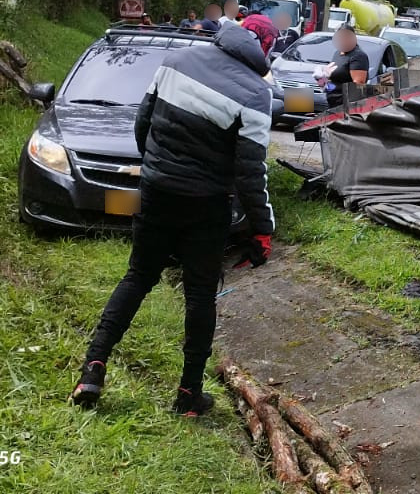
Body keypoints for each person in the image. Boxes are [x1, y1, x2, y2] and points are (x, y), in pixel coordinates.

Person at [69, 25, 275, 416]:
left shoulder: (178, 61)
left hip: (157, 192)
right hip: (208, 205)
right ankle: (188, 395)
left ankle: (92, 370)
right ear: (264, 49)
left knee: (138, 276)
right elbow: (251, 171)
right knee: (199, 295)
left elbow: (142, 122)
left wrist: (156, 169)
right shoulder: (255, 93)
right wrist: (263, 229)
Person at [321, 25, 369, 109]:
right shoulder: (337, 53)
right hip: (332, 101)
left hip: (345, 105)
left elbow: (359, 83)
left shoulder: (358, 56)